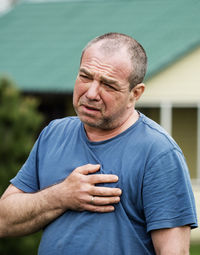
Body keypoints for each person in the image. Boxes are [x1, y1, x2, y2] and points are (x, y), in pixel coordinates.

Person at [0, 32, 198, 255]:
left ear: (135, 93)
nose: (91, 93)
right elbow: (3, 220)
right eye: (85, 77)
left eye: (109, 85)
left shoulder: (159, 152)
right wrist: (60, 196)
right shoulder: (54, 134)